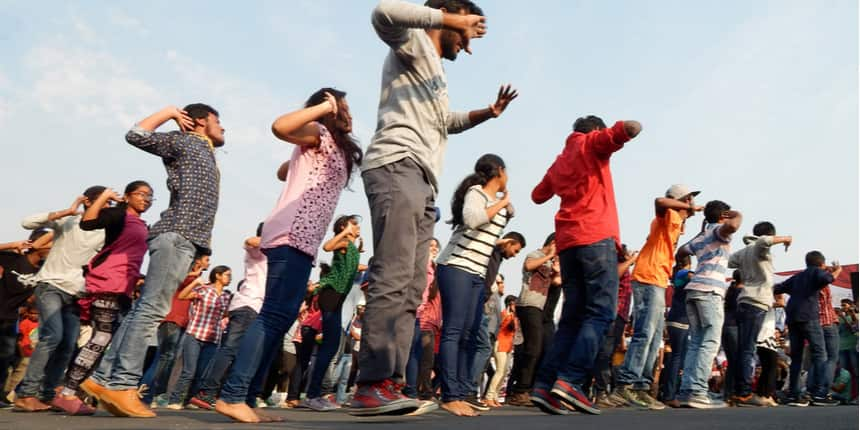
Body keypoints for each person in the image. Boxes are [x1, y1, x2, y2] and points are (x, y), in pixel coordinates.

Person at [353, 0, 518, 416]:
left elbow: (447, 121)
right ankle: (370, 383)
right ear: (448, 13)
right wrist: (449, 19)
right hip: (397, 165)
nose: (466, 45)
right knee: (392, 274)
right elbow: (381, 14)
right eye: (465, 33)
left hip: (424, 177)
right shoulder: (411, 41)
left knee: (411, 285)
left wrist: (490, 113)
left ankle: (391, 381)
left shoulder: (436, 73)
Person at [215, 87, 360, 423]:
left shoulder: (327, 144)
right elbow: (280, 127)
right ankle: (233, 395)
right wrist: (324, 107)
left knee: (278, 319)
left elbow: (285, 172)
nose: (350, 114)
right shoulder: (320, 132)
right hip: (291, 234)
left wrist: (296, 162)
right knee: (272, 317)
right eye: (344, 108)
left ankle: (247, 398)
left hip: (305, 241)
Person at [84, 103, 224, 418]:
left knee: (142, 311)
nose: (223, 127)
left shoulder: (204, 151)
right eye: (218, 120)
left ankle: (103, 379)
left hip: (186, 239)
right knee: (151, 311)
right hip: (176, 234)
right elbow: (135, 134)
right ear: (200, 120)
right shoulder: (183, 140)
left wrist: (203, 247)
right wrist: (171, 112)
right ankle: (123, 385)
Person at [528, 115, 641, 416]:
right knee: (601, 312)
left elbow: (538, 195)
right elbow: (625, 130)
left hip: (567, 244)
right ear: (595, 130)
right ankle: (572, 381)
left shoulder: (560, 159)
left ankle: (544, 385)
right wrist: (621, 130)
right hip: (595, 237)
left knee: (572, 317)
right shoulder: (591, 144)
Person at [52, 182, 153, 415]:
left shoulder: (142, 224)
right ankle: (67, 392)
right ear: (127, 197)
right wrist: (105, 196)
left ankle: (73, 390)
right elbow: (87, 222)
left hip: (123, 287)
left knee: (107, 340)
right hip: (107, 282)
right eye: (141, 194)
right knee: (102, 337)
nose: (146, 199)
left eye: (150, 197)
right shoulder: (118, 214)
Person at [13, 187, 108, 412]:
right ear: (87, 202)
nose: (106, 207)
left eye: (109, 204)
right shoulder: (69, 222)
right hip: (51, 286)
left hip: (77, 293)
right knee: (52, 336)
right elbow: (27, 223)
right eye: (102, 201)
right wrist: (64, 212)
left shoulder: (105, 231)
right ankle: (26, 393)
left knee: (68, 344)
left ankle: (48, 394)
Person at [435, 154, 513, 416]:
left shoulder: (497, 202)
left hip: (477, 274)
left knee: (469, 335)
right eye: (506, 172)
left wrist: (506, 210)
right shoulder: (476, 192)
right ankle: (449, 395)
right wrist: (502, 202)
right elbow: (471, 219)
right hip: (456, 266)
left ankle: (461, 393)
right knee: (454, 331)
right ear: (499, 172)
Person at [613, 185, 702, 411]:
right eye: (688, 199)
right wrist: (686, 207)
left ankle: (641, 387)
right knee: (645, 333)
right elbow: (660, 201)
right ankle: (626, 384)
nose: (691, 204)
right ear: (680, 200)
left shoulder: (676, 222)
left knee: (653, 338)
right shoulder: (668, 213)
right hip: (647, 276)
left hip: (658, 280)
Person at [190, 224, 268, 409]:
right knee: (230, 350)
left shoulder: (274, 256)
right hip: (247, 306)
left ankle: (224, 394)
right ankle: (207, 392)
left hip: (255, 309)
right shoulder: (259, 251)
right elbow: (249, 241)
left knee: (242, 353)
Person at [675, 200, 742, 409]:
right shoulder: (719, 232)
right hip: (710, 291)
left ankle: (687, 391)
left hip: (693, 290)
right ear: (723, 215)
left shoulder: (702, 236)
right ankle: (697, 391)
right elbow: (733, 226)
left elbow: (681, 252)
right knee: (710, 342)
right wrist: (737, 214)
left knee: (696, 342)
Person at [302, 215, 365, 411]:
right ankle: (312, 395)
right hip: (331, 294)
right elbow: (327, 247)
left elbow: (354, 267)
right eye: (353, 224)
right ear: (343, 227)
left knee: (330, 346)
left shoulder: (352, 248)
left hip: (337, 297)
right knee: (329, 346)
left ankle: (315, 394)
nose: (357, 227)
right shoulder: (344, 241)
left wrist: (372, 266)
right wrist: (345, 233)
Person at [727, 221, 792, 407]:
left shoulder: (745, 251)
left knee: (744, 349)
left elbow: (730, 261)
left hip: (745, 301)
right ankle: (745, 392)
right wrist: (787, 238)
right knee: (748, 349)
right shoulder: (759, 248)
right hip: (756, 302)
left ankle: (739, 390)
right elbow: (764, 241)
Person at [774, 251, 842, 407]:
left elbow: (778, 288)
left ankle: (794, 394)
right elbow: (828, 279)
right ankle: (819, 394)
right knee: (820, 354)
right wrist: (837, 271)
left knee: (796, 357)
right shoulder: (817, 272)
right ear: (822, 263)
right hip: (809, 317)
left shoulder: (798, 276)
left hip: (792, 316)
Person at [143, 252, 211, 407]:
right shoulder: (185, 274)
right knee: (164, 357)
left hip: (183, 323)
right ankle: (147, 393)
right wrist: (196, 278)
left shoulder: (195, 279)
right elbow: (179, 285)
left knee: (170, 358)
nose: (209, 263)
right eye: (207, 259)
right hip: (172, 320)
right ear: (198, 261)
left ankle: (157, 394)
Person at [167, 266, 232, 408]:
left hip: (213, 338)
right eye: (227, 275)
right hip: (195, 334)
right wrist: (195, 283)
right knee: (188, 371)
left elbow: (226, 315)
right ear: (218, 275)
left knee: (202, 372)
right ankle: (174, 400)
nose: (230, 278)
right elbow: (182, 296)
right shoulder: (204, 290)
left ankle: (190, 400)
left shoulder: (227, 296)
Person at [0, 229, 53, 404]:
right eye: (49, 244)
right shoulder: (13, 259)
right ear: (37, 245)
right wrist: (12, 245)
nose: (53, 248)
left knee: (5, 358)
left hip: (9, 319)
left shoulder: (44, 271)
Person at [507, 234, 558, 407]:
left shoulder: (552, 263)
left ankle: (526, 389)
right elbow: (528, 266)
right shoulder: (535, 255)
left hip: (539, 308)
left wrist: (557, 267)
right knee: (533, 348)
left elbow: (558, 281)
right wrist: (550, 255)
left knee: (538, 349)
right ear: (553, 243)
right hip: (528, 304)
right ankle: (520, 391)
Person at [660, 255, 693, 408]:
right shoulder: (682, 274)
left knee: (678, 358)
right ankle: (669, 394)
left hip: (679, 319)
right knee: (677, 358)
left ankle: (669, 392)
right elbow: (691, 276)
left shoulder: (679, 276)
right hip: (679, 320)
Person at [485, 295, 517, 407]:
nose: (515, 306)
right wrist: (507, 314)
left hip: (508, 346)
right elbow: (500, 325)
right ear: (509, 304)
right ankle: (489, 396)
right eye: (514, 304)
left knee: (504, 374)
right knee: (499, 371)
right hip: (500, 344)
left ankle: (495, 396)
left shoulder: (515, 317)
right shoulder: (504, 314)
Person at [837, 299, 858, 403]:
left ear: (850, 306)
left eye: (844, 305)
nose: (842, 307)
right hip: (841, 348)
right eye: (841, 305)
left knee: (856, 372)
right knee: (844, 373)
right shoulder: (839, 317)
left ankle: (857, 396)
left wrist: (844, 317)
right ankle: (846, 396)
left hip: (852, 347)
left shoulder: (855, 316)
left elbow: (854, 329)